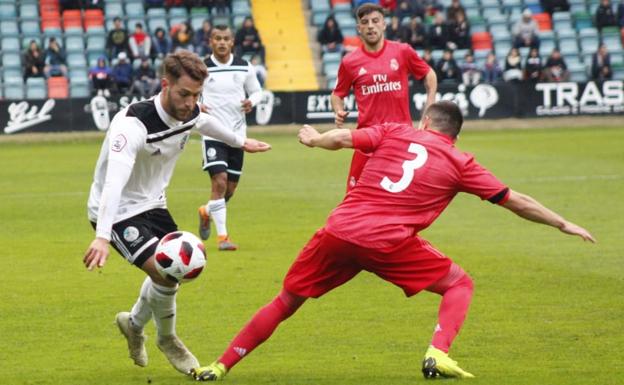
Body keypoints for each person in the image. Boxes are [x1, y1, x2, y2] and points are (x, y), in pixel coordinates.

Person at [190, 101, 595, 382]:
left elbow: (344, 138)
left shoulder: (396, 132)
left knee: (285, 302)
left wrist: (314, 139)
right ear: (454, 134)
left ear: (424, 121)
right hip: (387, 243)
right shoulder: (461, 162)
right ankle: (437, 352)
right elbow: (515, 201)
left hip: (339, 230)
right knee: (459, 283)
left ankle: (220, 366)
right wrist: (562, 224)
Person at [83, 51, 270, 376]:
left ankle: (134, 323)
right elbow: (113, 183)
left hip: (154, 204)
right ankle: (167, 338)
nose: (190, 102)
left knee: (175, 268)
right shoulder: (133, 125)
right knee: (164, 272)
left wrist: (241, 141)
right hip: (115, 212)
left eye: (197, 95)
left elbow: (203, 120)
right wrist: (102, 236)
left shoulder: (190, 110)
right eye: (184, 94)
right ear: (165, 85)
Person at [331, 3, 437, 191]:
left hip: (401, 140)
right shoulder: (349, 62)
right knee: (354, 198)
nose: (370, 25)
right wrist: (338, 110)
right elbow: (337, 94)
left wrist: (428, 114)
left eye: (375, 21)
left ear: (384, 25)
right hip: (367, 141)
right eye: (365, 22)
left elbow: (430, 76)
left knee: (401, 200)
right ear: (359, 28)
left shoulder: (402, 51)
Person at [197, 25, 263, 251]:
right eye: (218, 38)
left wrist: (251, 102)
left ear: (232, 42)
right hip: (212, 134)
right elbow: (191, 92)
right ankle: (223, 238)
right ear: (211, 41)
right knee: (220, 182)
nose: (222, 42)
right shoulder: (201, 67)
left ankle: (207, 211)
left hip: (237, 135)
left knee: (230, 189)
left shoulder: (244, 66)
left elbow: (257, 91)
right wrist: (198, 105)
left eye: (226, 38)